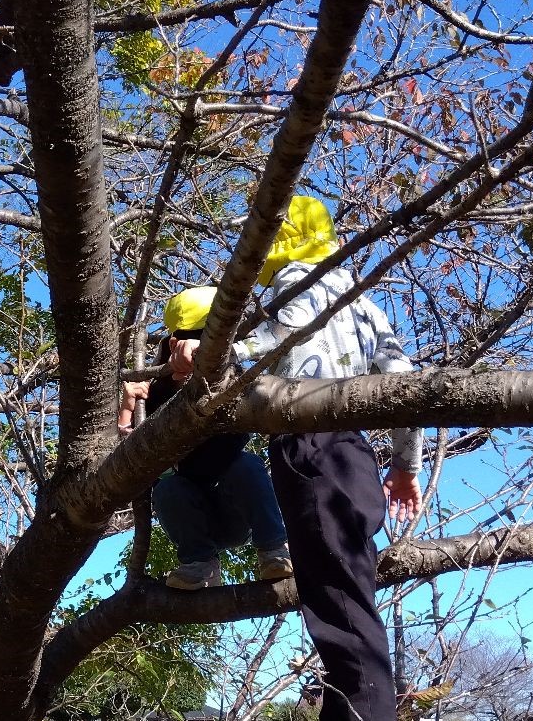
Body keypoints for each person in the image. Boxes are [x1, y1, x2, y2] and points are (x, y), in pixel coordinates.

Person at [168, 196, 424, 721]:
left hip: (308, 445)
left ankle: (364, 711)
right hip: (356, 456)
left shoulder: (296, 285)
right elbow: (404, 382)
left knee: (334, 596)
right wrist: (405, 464)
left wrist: (215, 357)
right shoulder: (364, 303)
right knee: (346, 588)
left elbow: (281, 339)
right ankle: (350, 706)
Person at [118, 286, 293, 591]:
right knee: (168, 489)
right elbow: (128, 459)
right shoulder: (154, 393)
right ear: (175, 343)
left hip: (234, 506)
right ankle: (200, 564)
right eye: (202, 340)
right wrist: (128, 408)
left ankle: (274, 550)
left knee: (245, 465)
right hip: (192, 511)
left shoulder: (234, 384)